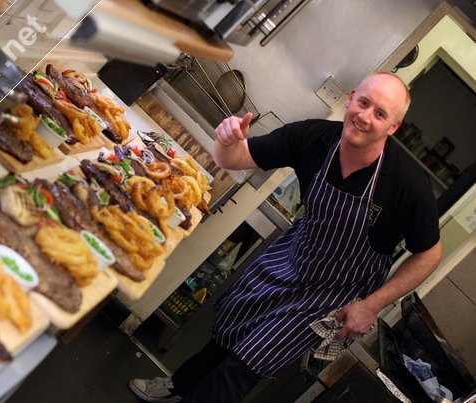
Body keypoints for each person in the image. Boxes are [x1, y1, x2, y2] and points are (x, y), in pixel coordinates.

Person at [128, 72, 442, 403]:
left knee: (247, 363)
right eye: (363, 103)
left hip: (330, 296)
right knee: (229, 328)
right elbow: (234, 159)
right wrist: (227, 141)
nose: (365, 117)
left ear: (393, 128)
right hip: (292, 259)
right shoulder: (313, 137)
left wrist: (372, 305)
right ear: (351, 98)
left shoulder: (408, 185)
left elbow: (429, 256)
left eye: (380, 114)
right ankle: (179, 387)